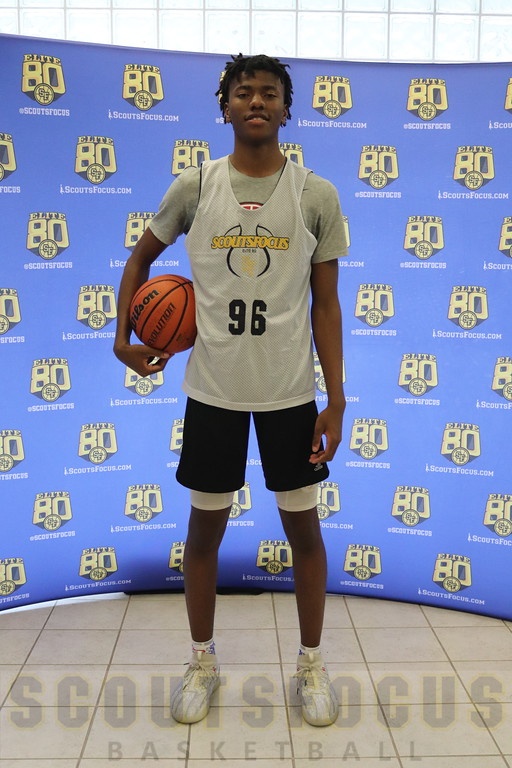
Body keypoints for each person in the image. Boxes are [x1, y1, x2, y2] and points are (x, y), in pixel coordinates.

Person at [114, 53, 348, 727]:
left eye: (269, 93)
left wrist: (336, 399)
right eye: (244, 92)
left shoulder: (315, 194)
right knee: (204, 530)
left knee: (303, 529)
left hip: (289, 393)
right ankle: (202, 661)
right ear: (225, 108)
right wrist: (121, 337)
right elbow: (140, 259)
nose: (256, 101)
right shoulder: (195, 186)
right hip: (212, 389)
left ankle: (310, 664)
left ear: (286, 109)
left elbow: (327, 306)